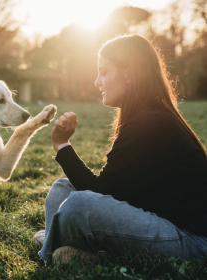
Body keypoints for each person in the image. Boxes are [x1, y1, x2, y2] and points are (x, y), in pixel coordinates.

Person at [34, 34, 207, 263]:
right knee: (62, 189)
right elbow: (117, 193)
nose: (97, 81)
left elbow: (100, 192)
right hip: (160, 221)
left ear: (127, 73)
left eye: (103, 72)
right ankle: (77, 250)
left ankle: (54, 247)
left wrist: (62, 145)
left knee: (79, 203)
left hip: (191, 243)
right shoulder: (145, 117)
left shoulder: (152, 122)